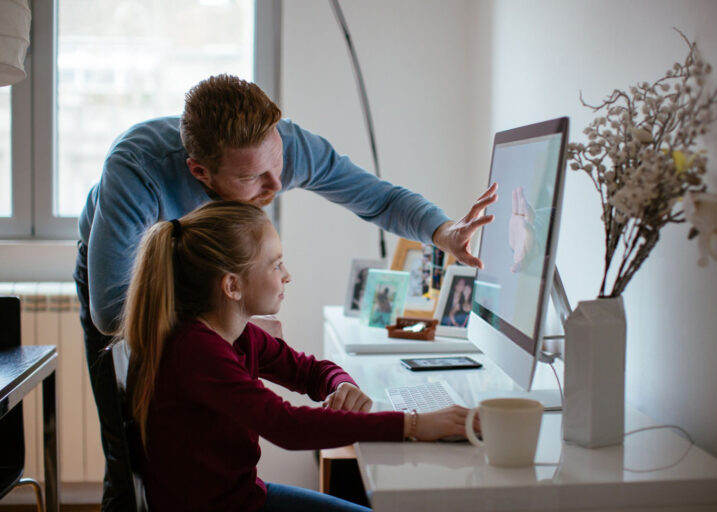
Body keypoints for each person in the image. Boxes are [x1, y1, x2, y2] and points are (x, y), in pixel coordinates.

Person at [74, 73, 497, 509]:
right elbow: (111, 311)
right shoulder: (138, 170)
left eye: (278, 166)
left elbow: (378, 198)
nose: (276, 187)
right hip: (119, 282)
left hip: (215, 326)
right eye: (254, 177)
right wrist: (413, 425)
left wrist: (443, 231)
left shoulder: (282, 149)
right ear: (200, 171)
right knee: (128, 464)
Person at [121, 201, 471, 511]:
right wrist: (413, 425)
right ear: (232, 286)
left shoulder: (237, 333)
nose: (287, 275)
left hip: (244, 497)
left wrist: (340, 383)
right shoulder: (197, 351)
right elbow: (287, 427)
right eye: (276, 265)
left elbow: (307, 370)